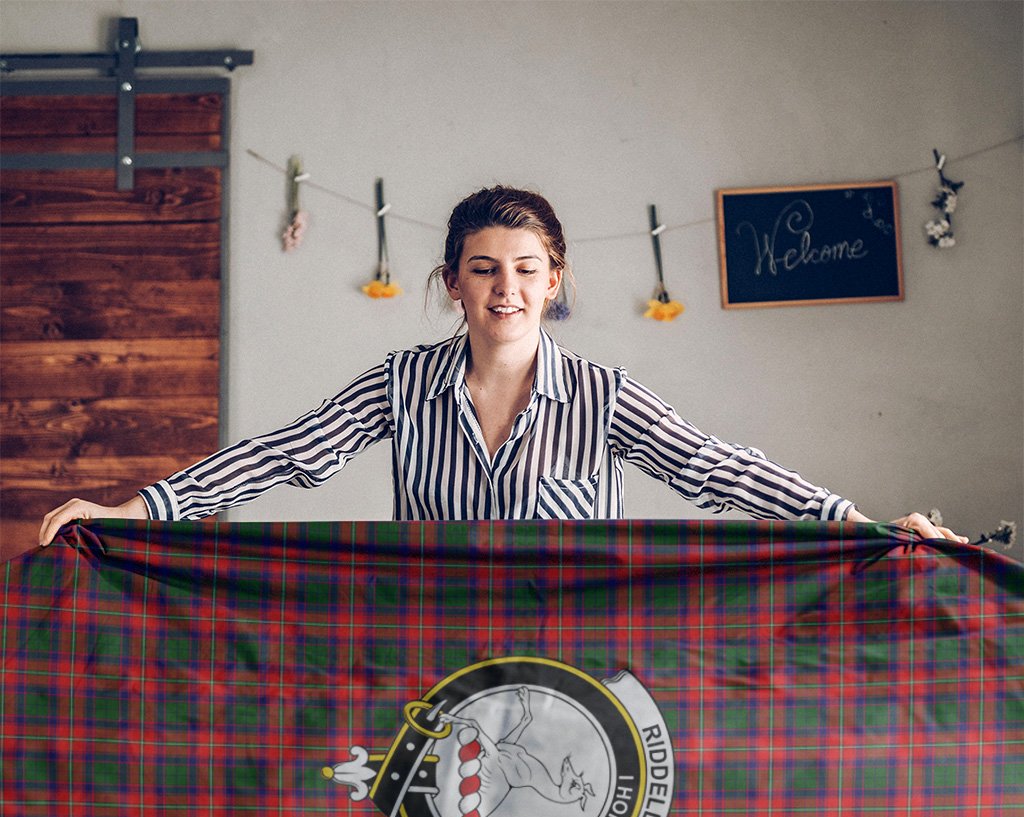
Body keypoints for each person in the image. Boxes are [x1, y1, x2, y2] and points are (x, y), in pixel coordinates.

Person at [39, 186, 968, 546]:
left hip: (576, 661)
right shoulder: (401, 382)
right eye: (484, 270)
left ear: (554, 281)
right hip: (428, 655)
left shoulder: (605, 397)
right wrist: (135, 511)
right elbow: (284, 456)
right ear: (453, 284)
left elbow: (718, 468)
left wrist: (861, 522)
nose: (506, 289)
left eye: (527, 271)